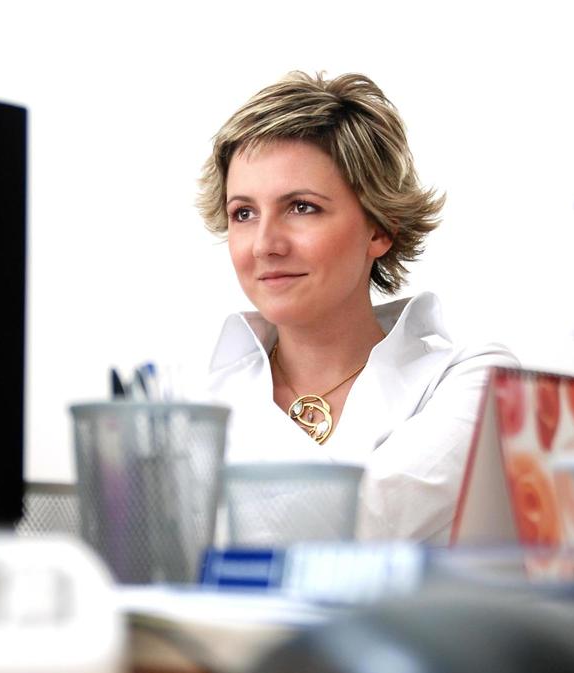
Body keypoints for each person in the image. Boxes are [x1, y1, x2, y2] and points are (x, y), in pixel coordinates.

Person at [197, 71, 518, 543]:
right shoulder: (198, 394)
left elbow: (357, 526)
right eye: (243, 213)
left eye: (301, 207)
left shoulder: (476, 379)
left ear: (380, 228)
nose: (264, 244)